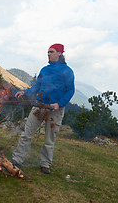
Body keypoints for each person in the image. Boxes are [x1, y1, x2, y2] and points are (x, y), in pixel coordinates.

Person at [11, 43, 75, 174]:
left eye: (51, 52)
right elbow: (36, 87)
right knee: (26, 133)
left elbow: (70, 90)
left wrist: (59, 104)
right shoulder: (44, 70)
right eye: (48, 52)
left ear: (59, 53)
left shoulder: (67, 71)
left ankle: (45, 163)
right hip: (39, 106)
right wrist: (25, 92)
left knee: (49, 139)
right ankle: (17, 159)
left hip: (55, 109)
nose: (49, 54)